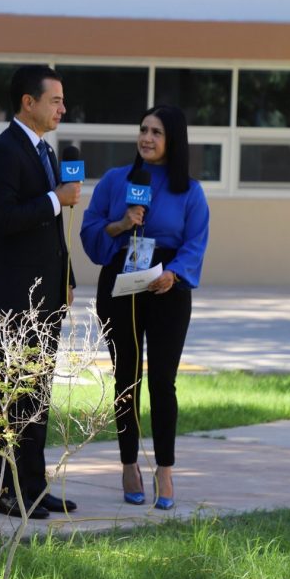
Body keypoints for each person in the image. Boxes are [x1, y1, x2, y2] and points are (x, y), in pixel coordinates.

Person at [80, 104, 209, 510]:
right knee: (127, 378)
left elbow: (195, 242)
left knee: (163, 382)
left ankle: (165, 470)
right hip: (121, 283)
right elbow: (90, 233)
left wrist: (174, 274)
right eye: (143, 130)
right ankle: (128, 464)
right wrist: (122, 223)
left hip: (167, 286)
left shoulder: (190, 191)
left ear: (173, 140)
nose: (147, 138)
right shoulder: (116, 180)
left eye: (156, 132)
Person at [0, 64, 82, 520]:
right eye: (55, 100)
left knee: (37, 394)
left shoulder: (46, 151)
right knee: (8, 394)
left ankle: (34, 489)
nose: (62, 108)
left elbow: (51, 228)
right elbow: (4, 219)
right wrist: (57, 198)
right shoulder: (3, 152)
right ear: (28, 102)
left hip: (46, 294)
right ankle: (1, 491)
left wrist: (67, 276)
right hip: (13, 296)